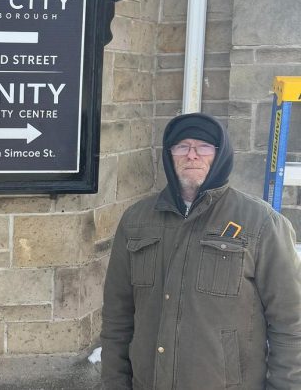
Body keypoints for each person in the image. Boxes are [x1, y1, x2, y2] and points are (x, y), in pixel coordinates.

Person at [100, 112, 301, 389]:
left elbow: (291, 323)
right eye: (182, 147)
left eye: (204, 146)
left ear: (220, 154)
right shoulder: (136, 220)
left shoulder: (261, 223)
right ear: (169, 155)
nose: (192, 155)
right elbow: (117, 318)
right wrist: (114, 383)